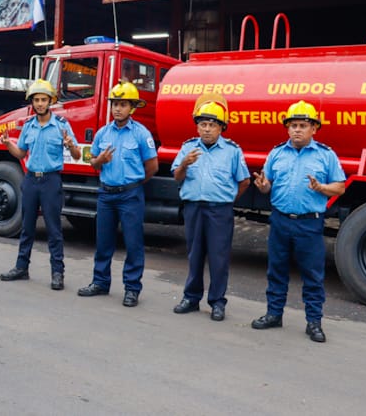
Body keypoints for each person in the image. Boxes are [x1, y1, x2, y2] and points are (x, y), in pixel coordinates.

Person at [251, 100, 345, 343]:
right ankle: (274, 314)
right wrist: (263, 186)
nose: (297, 130)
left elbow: (340, 187)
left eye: (303, 125)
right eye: (293, 125)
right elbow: (267, 183)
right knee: (276, 271)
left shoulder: (326, 155)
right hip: (280, 221)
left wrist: (322, 187)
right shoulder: (277, 153)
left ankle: (314, 322)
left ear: (314, 128)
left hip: (309, 224)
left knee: (312, 275)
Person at [76, 82, 158, 307]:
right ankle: (100, 282)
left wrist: (133, 184)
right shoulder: (103, 132)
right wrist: (99, 161)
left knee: (133, 244)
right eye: (115, 104)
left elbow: (152, 166)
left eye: (122, 105)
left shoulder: (141, 134)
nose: (117, 109)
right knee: (103, 242)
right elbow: (92, 161)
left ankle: (132, 288)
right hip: (106, 195)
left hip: (130, 196)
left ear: (132, 108)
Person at [170, 97, 250, 321]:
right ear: (197, 126)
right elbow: (177, 177)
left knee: (219, 257)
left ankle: (217, 302)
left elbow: (243, 181)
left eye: (212, 125)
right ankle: (191, 298)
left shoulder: (232, 151)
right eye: (203, 124)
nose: (207, 129)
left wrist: (226, 200)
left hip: (219, 211)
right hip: (193, 208)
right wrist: (185, 163)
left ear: (221, 128)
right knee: (194, 254)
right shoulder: (188, 148)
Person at [0, 79, 81, 291]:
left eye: (44, 100)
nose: (40, 104)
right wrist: (8, 144)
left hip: (51, 181)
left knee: (54, 229)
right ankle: (21, 267)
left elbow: (77, 154)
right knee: (26, 226)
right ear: (32, 102)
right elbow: (21, 153)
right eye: (36, 100)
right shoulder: (28, 126)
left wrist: (71, 145)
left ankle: (57, 272)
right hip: (30, 180)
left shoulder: (62, 126)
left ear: (51, 101)